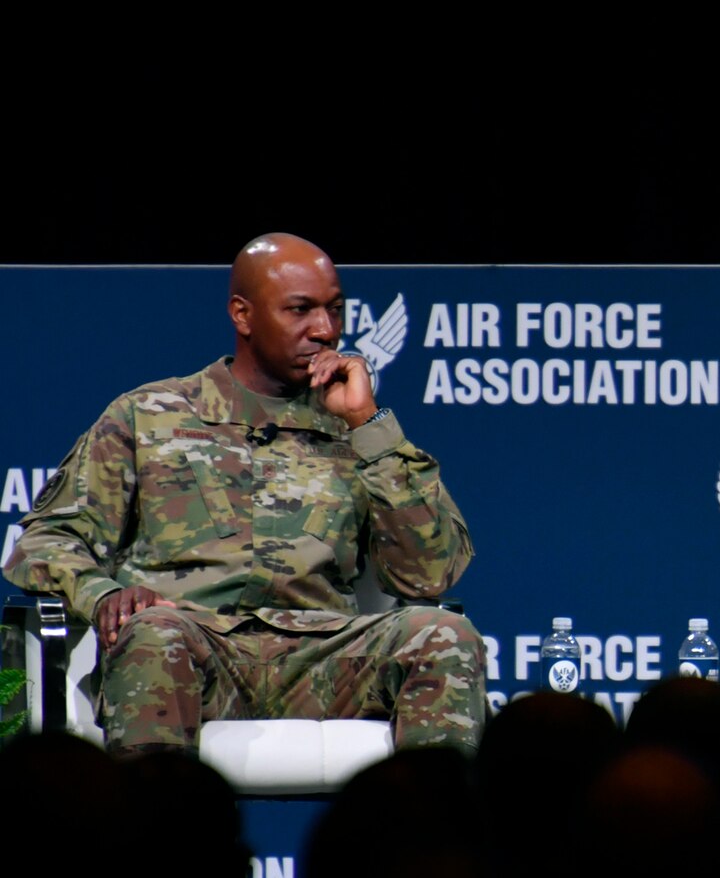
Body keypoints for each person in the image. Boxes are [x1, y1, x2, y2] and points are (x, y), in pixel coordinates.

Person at [3, 232, 486, 756]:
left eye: (335, 310)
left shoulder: (356, 427)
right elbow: (46, 542)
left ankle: (432, 835)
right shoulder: (149, 415)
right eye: (301, 310)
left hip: (323, 659)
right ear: (243, 315)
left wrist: (368, 424)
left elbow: (429, 573)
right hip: (193, 648)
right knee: (154, 634)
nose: (324, 330)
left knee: (443, 635)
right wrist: (104, 595)